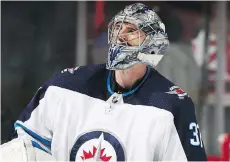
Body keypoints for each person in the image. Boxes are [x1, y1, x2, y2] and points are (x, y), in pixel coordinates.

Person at [1, 3, 207, 161]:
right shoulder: (64, 85)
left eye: (132, 32)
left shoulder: (172, 106)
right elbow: (22, 149)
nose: (120, 38)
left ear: (153, 46)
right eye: (117, 29)